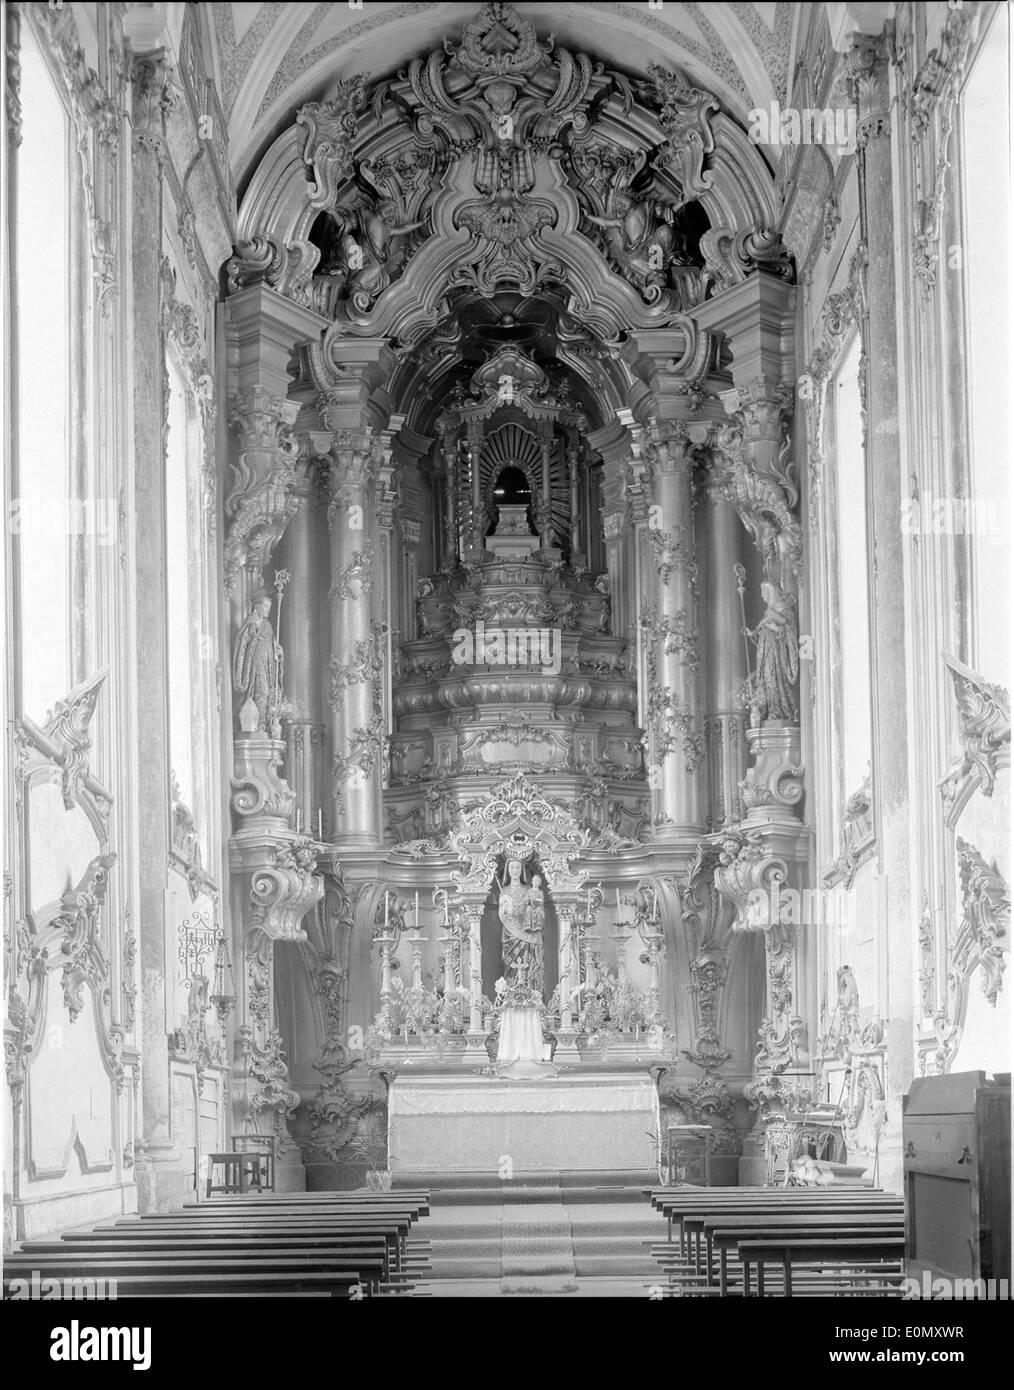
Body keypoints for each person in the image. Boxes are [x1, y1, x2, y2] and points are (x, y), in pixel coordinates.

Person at [232, 591, 280, 731]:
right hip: (255, 664)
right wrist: (254, 637)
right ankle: (258, 725)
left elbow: (273, 644)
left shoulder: (268, 625)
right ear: (256, 607)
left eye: (269, 608)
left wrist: (278, 651)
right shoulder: (251, 622)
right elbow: (242, 642)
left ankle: (263, 725)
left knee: (267, 693)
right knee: (260, 692)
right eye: (265, 607)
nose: (268, 610)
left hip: (268, 664)